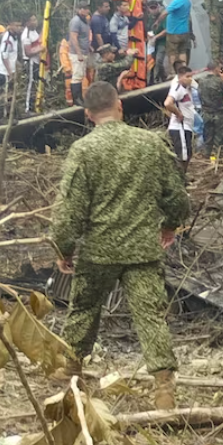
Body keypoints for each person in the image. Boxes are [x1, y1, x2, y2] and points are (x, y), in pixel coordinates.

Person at [52, 81, 192, 407]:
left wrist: (63, 249)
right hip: (142, 249)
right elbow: (176, 197)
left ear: (88, 114)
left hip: (98, 251)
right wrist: (169, 226)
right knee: (150, 317)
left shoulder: (83, 151)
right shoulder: (150, 144)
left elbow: (69, 210)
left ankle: (71, 371)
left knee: (84, 309)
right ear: (120, 106)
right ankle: (163, 388)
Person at [0, 19, 42, 114]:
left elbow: (13, 56)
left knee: (11, 94)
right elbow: (4, 56)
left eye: (20, 26)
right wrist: (9, 73)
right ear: (11, 26)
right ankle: (3, 116)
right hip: (5, 72)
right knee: (5, 95)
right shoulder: (7, 39)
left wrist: (17, 67)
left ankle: (10, 114)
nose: (19, 28)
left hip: (11, 70)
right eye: (17, 26)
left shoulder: (15, 37)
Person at [195, 59, 223, 162]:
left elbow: (199, 95)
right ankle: (218, 158)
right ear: (216, 68)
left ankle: (207, 158)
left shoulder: (201, 81)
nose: (221, 70)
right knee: (220, 138)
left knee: (208, 137)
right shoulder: (220, 81)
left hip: (206, 113)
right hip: (219, 113)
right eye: (219, 68)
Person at [164, 66, 198, 167]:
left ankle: (183, 176)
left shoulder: (189, 88)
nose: (189, 79)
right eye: (187, 76)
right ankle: (180, 177)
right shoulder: (177, 89)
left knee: (188, 153)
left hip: (187, 126)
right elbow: (168, 103)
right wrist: (178, 114)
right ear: (180, 77)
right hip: (179, 127)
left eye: (191, 77)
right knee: (182, 156)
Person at [68, 2, 96, 103]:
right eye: (84, 9)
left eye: (87, 8)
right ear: (79, 9)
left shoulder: (85, 21)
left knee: (81, 75)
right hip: (76, 53)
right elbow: (74, 38)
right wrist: (79, 53)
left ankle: (80, 98)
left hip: (85, 51)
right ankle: (77, 99)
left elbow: (84, 36)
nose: (86, 11)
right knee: (77, 75)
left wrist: (88, 46)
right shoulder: (75, 21)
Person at [164, 0, 195, 72]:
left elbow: (166, 12)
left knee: (172, 52)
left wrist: (158, 21)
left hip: (174, 31)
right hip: (184, 31)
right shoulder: (187, 1)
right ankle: (184, 68)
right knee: (182, 51)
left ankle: (172, 72)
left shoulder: (178, 1)